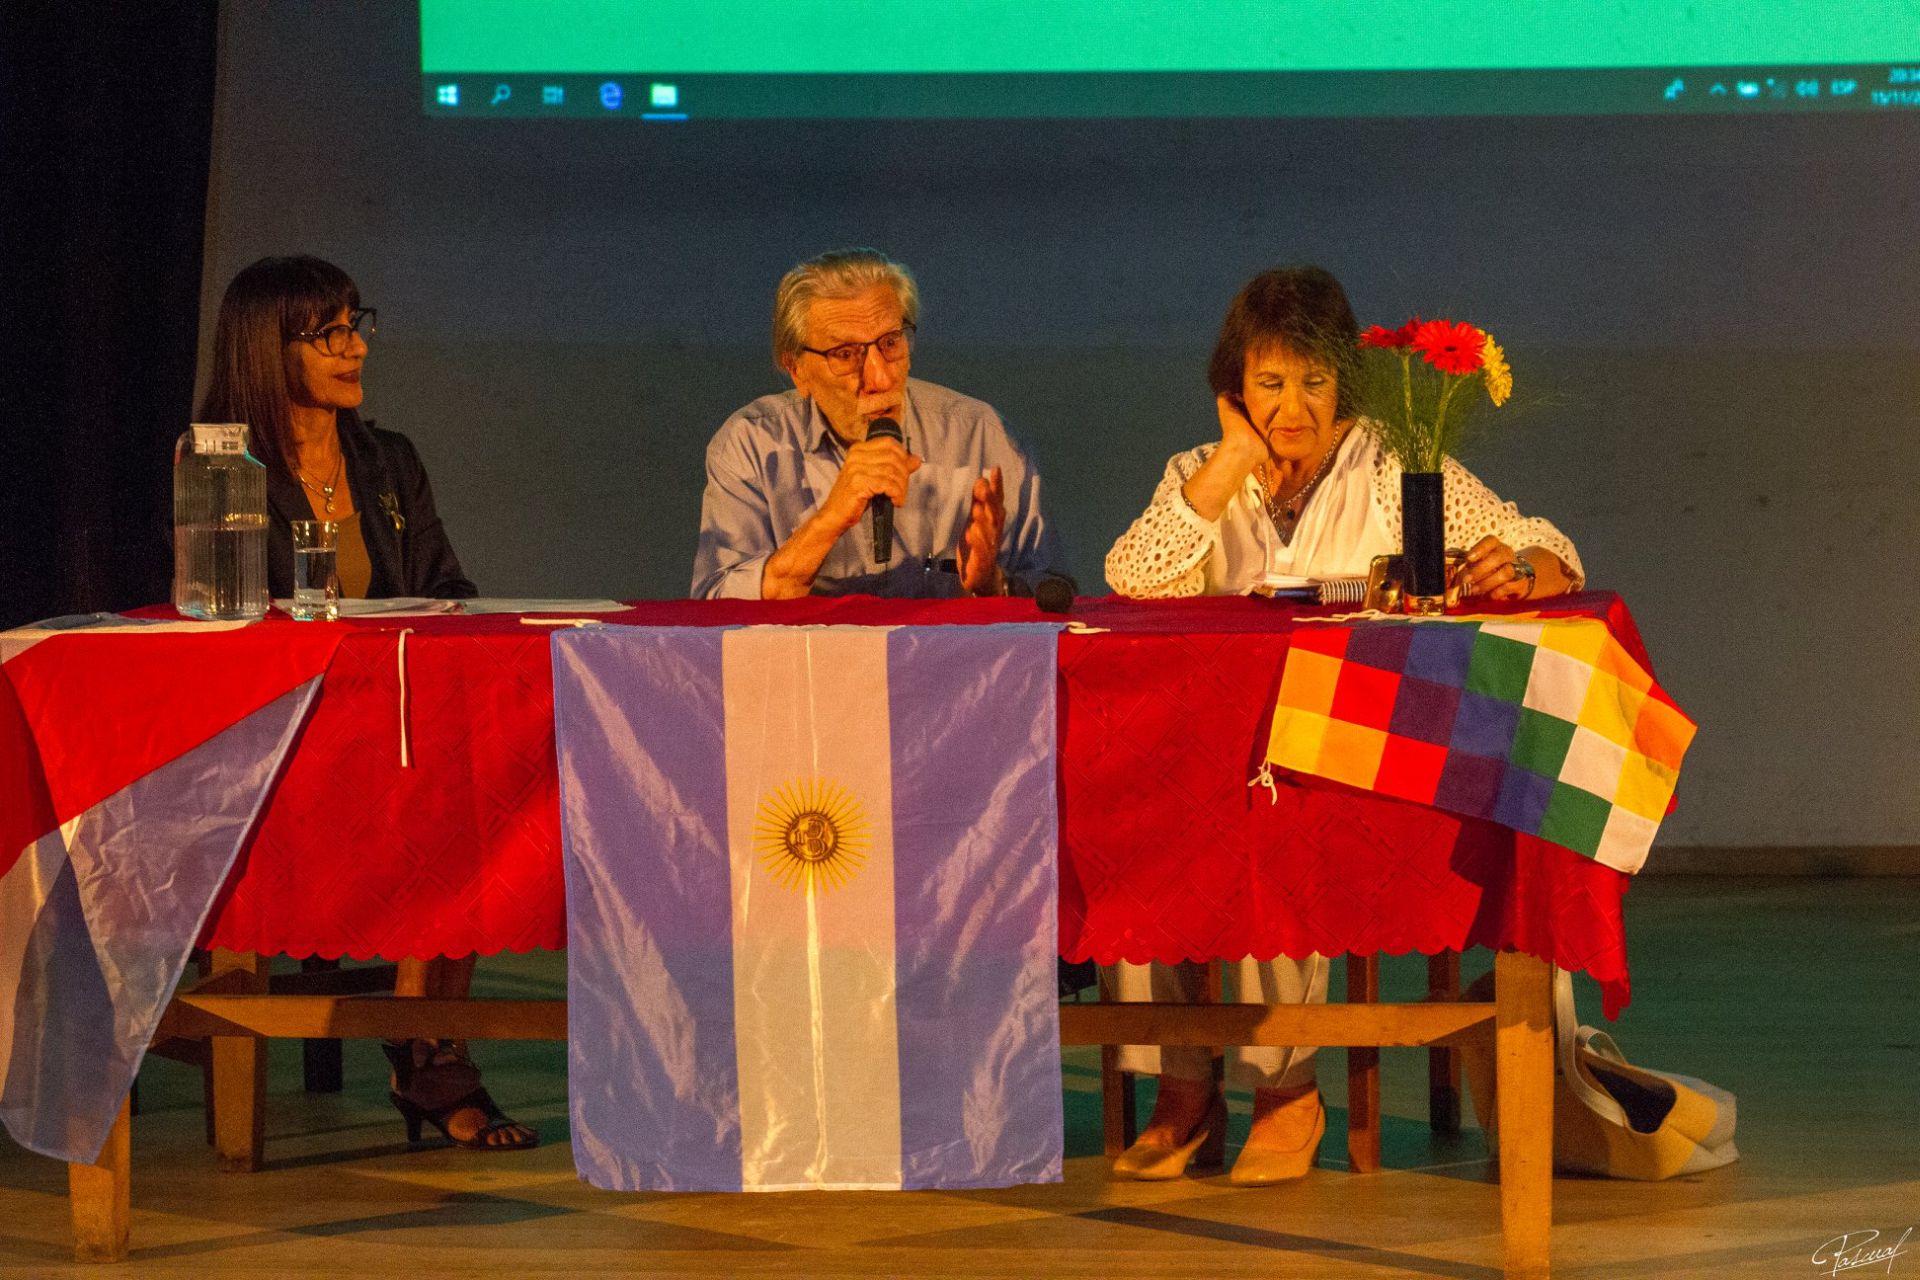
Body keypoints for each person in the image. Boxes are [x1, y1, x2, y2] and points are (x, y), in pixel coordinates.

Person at [1102, 264, 1583, 1185]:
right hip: (1211, 754)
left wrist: (1518, 566)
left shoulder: (1392, 467)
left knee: (1273, 825)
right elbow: (1133, 578)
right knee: (1139, 826)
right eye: (1269, 383)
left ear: (1345, 387)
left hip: (1342, 755)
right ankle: (1182, 1085)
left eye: (1313, 382)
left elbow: (1549, 546)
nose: (1291, 408)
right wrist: (1231, 459)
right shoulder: (1199, 473)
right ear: (1235, 388)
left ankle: (1285, 1089)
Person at [197, 255, 534, 1151]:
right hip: (284, 741)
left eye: (357, 325)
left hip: (389, 727)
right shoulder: (219, 465)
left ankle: (427, 1043)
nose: (357, 348)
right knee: (443, 790)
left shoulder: (388, 460)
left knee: (473, 777)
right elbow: (221, 620)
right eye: (331, 333)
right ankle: (425, 1051)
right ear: (269, 349)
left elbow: (447, 587)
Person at [692, 248, 1068, 599]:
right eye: (845, 354)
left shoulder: (981, 434)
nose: (880, 378)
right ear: (797, 370)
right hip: (811, 652)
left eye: (890, 343)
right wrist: (828, 521)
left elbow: (1056, 597)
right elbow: (716, 604)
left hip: (947, 652)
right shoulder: (750, 445)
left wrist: (992, 584)